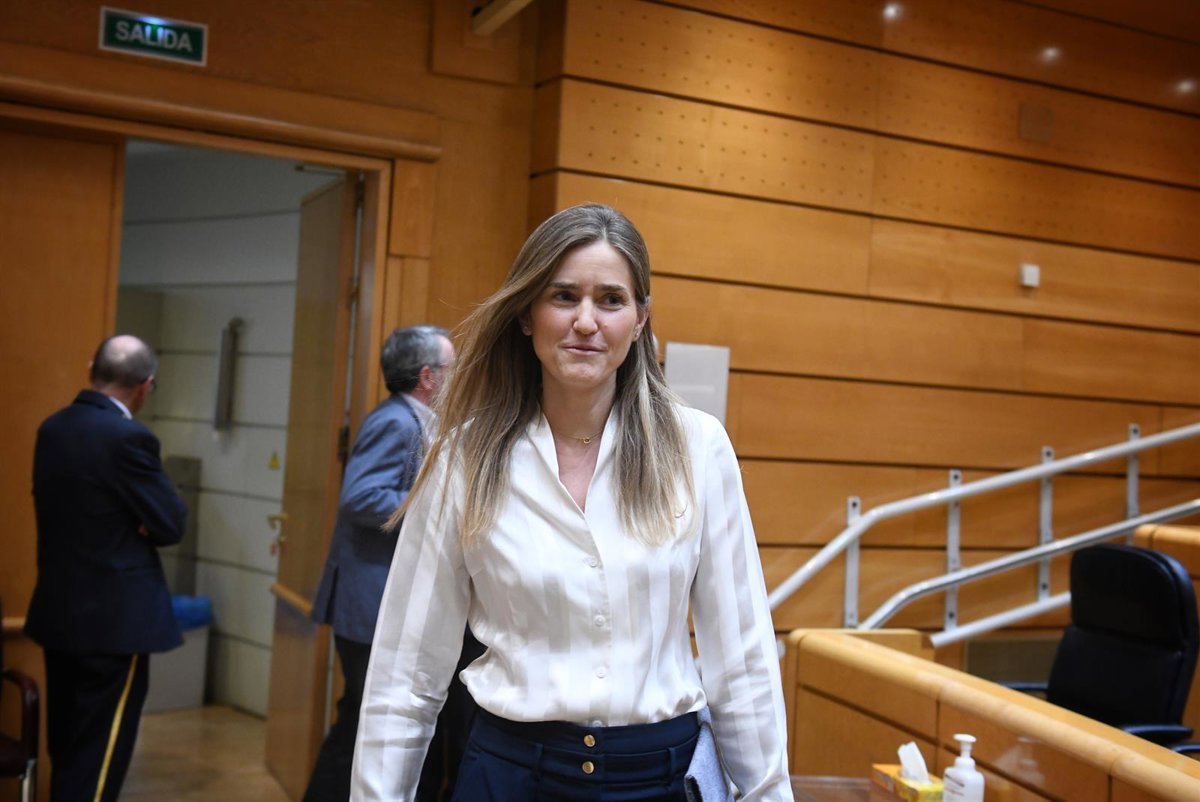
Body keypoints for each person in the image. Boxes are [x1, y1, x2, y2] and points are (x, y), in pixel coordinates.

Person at [352, 204, 793, 801]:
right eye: (563, 296)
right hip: (508, 777)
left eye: (611, 300)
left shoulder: (698, 448)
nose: (586, 321)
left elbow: (742, 661)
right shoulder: (463, 458)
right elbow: (405, 677)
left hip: (657, 779)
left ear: (639, 320)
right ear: (527, 314)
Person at [307, 325, 483, 802]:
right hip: (369, 606)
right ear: (428, 377)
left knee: (365, 724)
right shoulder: (398, 422)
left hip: (375, 602)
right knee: (362, 727)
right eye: (451, 368)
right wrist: (434, 506)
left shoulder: (415, 419)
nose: (458, 376)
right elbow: (361, 496)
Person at [26, 334, 187, 802]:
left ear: (90, 370)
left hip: (60, 613)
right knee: (98, 757)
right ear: (145, 386)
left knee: (68, 748)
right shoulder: (129, 437)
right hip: (115, 623)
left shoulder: (52, 429)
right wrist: (137, 519)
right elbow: (171, 522)